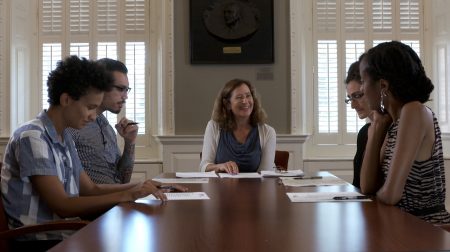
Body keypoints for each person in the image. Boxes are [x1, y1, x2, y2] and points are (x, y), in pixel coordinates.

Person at [0, 56, 186, 251]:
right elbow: (63, 206)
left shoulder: (64, 137)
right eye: (90, 107)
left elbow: (91, 189)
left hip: (67, 233)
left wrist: (142, 186)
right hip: (41, 241)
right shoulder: (33, 136)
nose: (92, 115)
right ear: (66, 100)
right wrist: (129, 193)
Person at [359, 41, 450, 224]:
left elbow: (390, 195)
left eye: (363, 81)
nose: (361, 89)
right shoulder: (393, 123)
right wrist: (378, 126)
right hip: (401, 226)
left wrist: (381, 192)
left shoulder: (414, 111)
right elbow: (367, 186)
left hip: (426, 231)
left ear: (383, 85)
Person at [68, 58, 136, 184]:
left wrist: (130, 142)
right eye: (120, 89)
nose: (125, 96)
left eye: (127, 90)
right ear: (99, 86)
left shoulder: (107, 128)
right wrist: (135, 189)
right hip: (95, 203)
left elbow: (122, 180)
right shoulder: (72, 127)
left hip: (117, 200)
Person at [200, 78, 276, 174]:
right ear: (227, 104)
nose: (245, 101)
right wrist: (220, 166)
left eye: (248, 96)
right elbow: (203, 167)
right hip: (220, 188)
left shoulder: (268, 132)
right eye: (239, 97)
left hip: (255, 188)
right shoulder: (213, 126)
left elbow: (265, 174)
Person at [344, 61, 371, 189]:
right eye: (350, 98)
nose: (353, 105)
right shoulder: (364, 133)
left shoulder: (395, 129)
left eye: (358, 96)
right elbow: (358, 185)